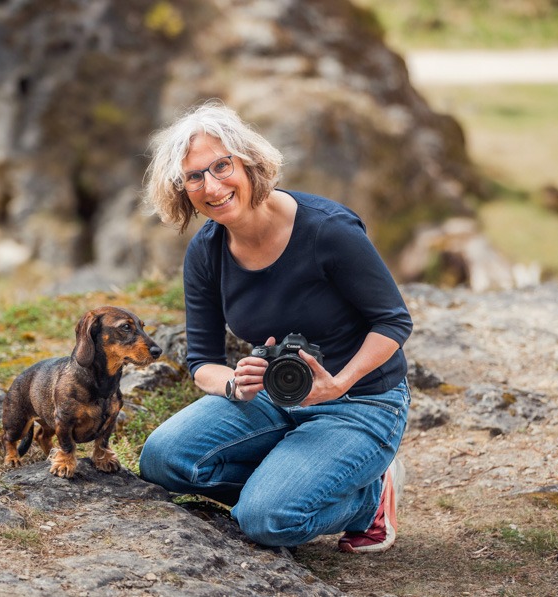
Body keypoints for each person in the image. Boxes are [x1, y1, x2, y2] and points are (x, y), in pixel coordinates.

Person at [138, 101, 413, 553]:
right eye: (194, 177)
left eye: (221, 166)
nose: (212, 185)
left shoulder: (328, 230)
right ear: (182, 190)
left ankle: (368, 499)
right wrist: (234, 384)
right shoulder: (206, 253)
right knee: (163, 459)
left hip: (361, 400)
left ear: (246, 162)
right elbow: (202, 361)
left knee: (265, 520)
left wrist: (338, 384)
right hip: (271, 396)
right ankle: (295, 476)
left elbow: (393, 321)